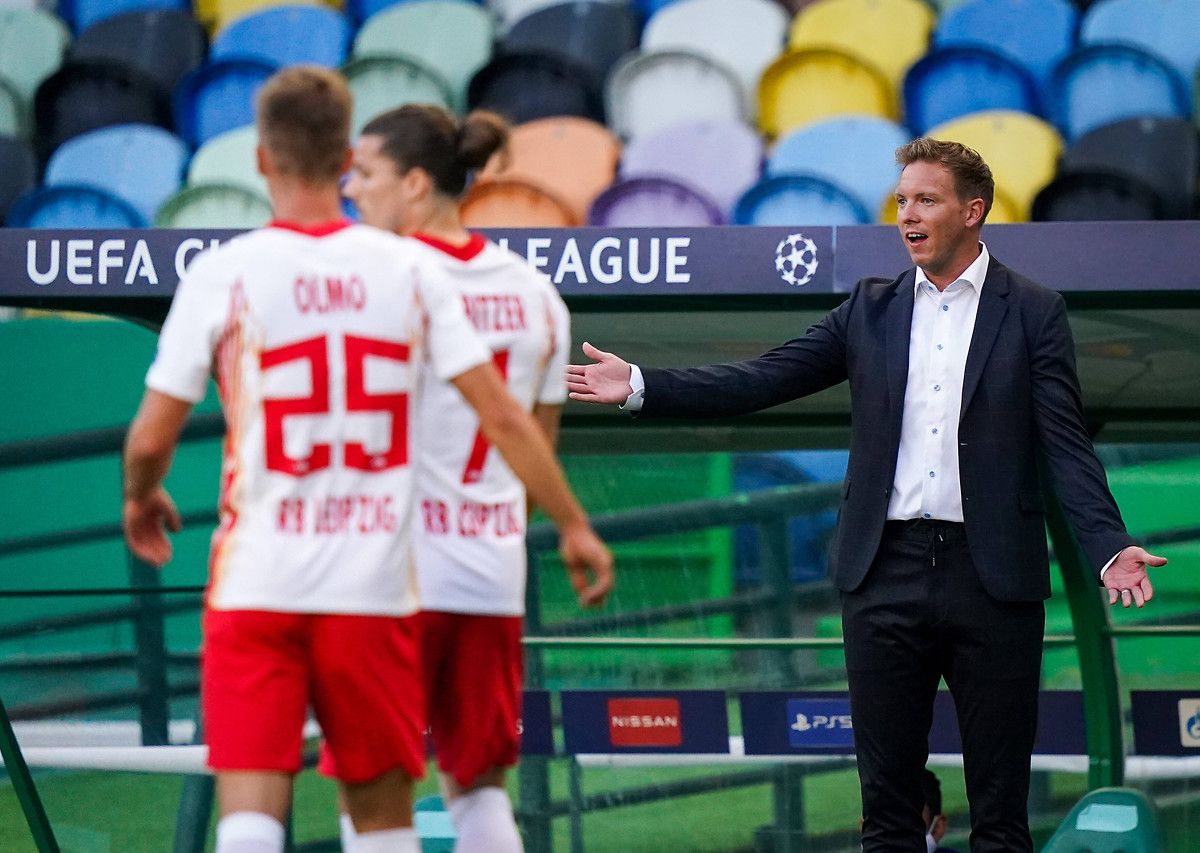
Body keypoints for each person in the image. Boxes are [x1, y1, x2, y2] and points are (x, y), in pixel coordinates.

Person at [566, 138, 1167, 852]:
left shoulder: (1034, 311)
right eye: (902, 200)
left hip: (993, 578)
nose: (907, 214)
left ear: (973, 211)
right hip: (883, 572)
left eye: (926, 200)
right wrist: (641, 384)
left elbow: (1065, 443)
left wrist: (1106, 545)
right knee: (888, 812)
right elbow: (763, 378)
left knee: (1001, 814)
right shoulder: (869, 309)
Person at [122, 67, 612, 853]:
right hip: (402, 578)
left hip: (285, 570)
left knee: (250, 812)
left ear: (261, 161)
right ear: (344, 157)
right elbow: (510, 420)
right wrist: (574, 524)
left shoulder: (227, 270)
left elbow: (149, 438)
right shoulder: (424, 274)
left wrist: (139, 494)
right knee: (425, 804)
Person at [335, 103, 597, 852]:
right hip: (488, 570)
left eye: (369, 173)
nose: (353, 189)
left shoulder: (382, 279)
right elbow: (531, 451)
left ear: (416, 183)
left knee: (375, 793)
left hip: (394, 572)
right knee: (479, 789)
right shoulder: (537, 295)